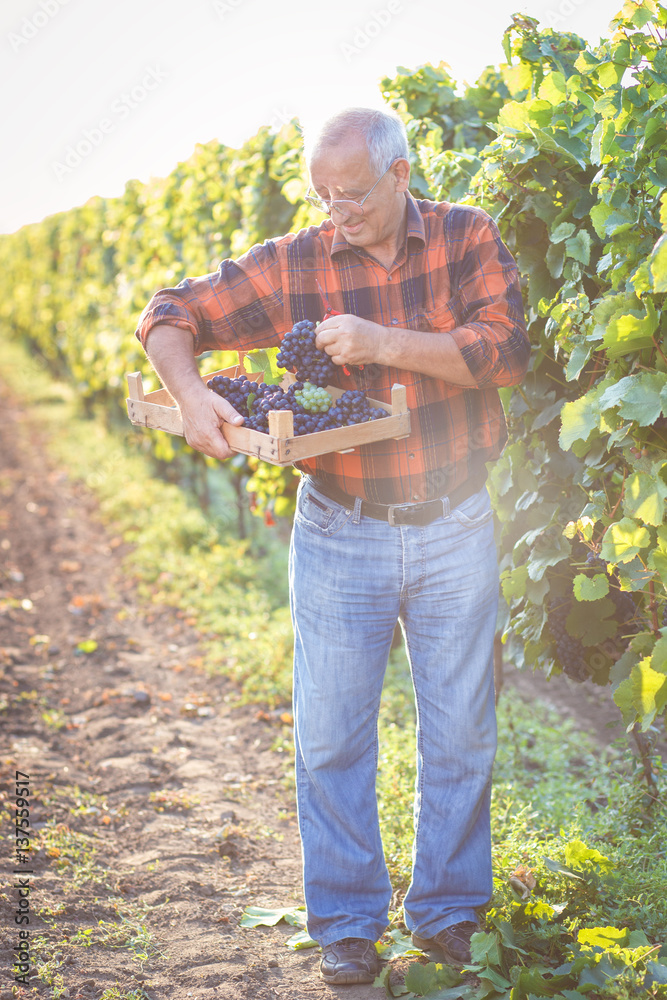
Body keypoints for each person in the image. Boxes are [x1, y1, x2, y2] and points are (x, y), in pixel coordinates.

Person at [135, 105, 530, 986]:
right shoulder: (295, 262)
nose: (334, 212)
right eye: (320, 194)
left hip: (456, 522)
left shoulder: (466, 238)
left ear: (398, 177)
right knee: (329, 737)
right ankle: (348, 923)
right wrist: (192, 395)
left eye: (350, 195)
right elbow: (170, 311)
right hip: (340, 529)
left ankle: (448, 913)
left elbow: (505, 353)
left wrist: (383, 342)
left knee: (461, 730)